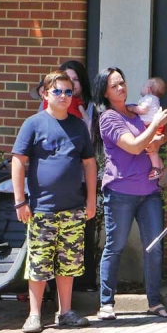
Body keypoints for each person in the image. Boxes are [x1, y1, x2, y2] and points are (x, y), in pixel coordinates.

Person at [12, 70, 97, 333]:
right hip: (41, 209)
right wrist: (19, 201)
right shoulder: (33, 124)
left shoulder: (78, 125)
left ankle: (66, 312)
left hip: (73, 209)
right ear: (45, 93)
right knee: (38, 263)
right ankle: (35, 315)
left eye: (68, 91)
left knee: (68, 263)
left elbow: (89, 164)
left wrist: (91, 200)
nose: (63, 96)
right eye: (57, 91)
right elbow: (18, 161)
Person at [93, 67, 167, 320]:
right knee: (115, 246)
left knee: (155, 247)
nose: (121, 87)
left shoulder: (134, 109)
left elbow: (163, 133)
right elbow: (135, 145)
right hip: (120, 191)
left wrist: (159, 139)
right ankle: (106, 303)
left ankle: (154, 302)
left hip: (149, 191)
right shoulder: (108, 118)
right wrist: (154, 130)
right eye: (114, 85)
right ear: (104, 92)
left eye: (122, 82)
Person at [58, 60, 99, 292]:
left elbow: (94, 140)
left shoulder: (90, 107)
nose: (71, 85)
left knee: (81, 234)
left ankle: (83, 285)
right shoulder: (48, 106)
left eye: (75, 80)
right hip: (52, 187)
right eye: (66, 79)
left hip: (82, 181)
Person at [127, 77, 167, 181]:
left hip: (151, 126)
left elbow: (143, 110)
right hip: (153, 126)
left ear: (149, 89)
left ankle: (156, 169)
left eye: (144, 85)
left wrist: (131, 108)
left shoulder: (149, 98)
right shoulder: (155, 99)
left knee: (150, 148)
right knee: (152, 148)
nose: (142, 87)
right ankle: (162, 168)